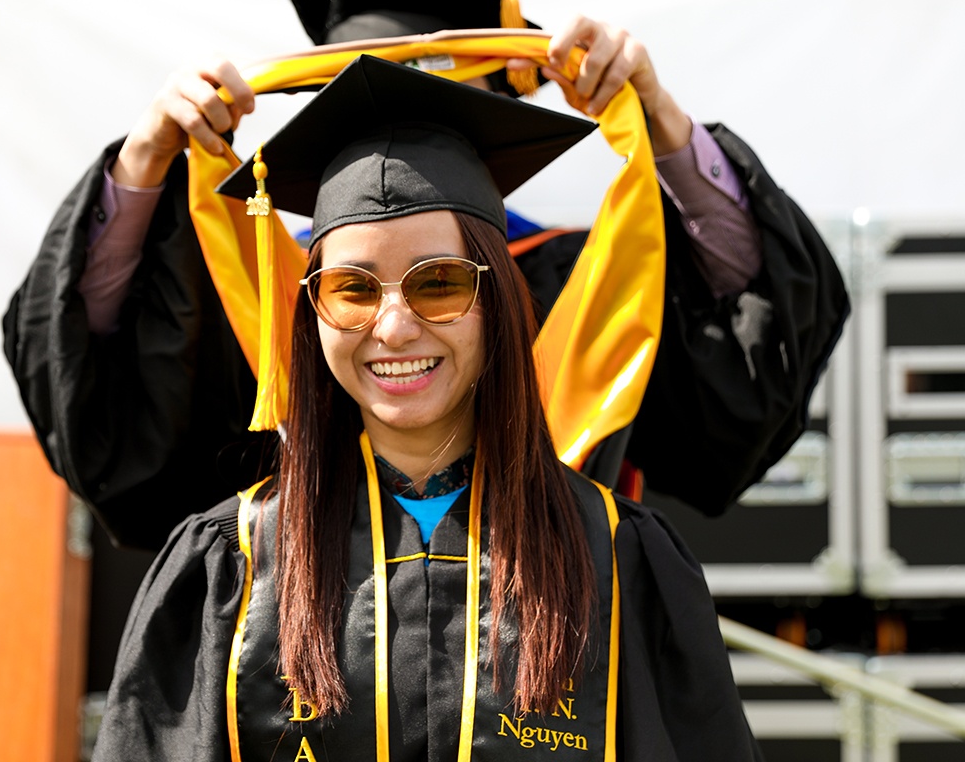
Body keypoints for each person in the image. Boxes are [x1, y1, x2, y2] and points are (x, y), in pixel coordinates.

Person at [2, 0, 848, 554]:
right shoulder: (261, 297)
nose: (393, 324)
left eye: (435, 104)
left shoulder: (578, 281)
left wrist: (662, 123)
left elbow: (756, 335)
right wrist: (143, 168)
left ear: (493, 114)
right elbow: (98, 401)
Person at [90, 54, 763, 761]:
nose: (393, 326)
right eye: (351, 288)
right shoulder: (233, 563)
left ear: (497, 303)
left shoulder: (617, 557)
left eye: (438, 283)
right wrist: (145, 154)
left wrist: (660, 118)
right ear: (311, 311)